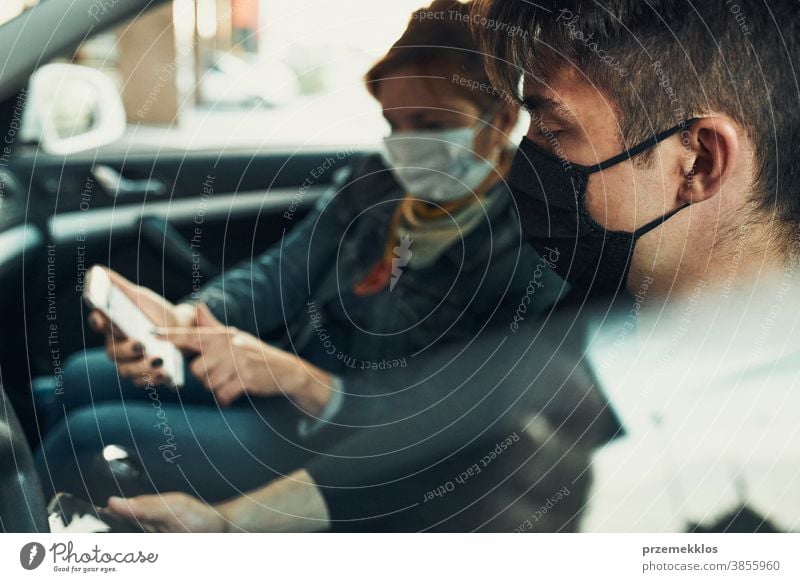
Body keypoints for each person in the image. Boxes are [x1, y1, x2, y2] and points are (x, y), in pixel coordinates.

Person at [104, 0, 800, 532]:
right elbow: (436, 445)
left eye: (554, 132)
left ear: (700, 161)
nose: (530, 164)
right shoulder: (587, 338)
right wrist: (230, 528)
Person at [36, 0, 563, 504]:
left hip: (357, 445)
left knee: (91, 435)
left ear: (500, 119)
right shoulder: (375, 184)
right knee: (79, 376)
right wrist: (188, 318)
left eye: (430, 125)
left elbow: (448, 412)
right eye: (394, 125)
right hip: (287, 385)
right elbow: (284, 269)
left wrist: (298, 379)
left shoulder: (529, 246)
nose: (406, 146)